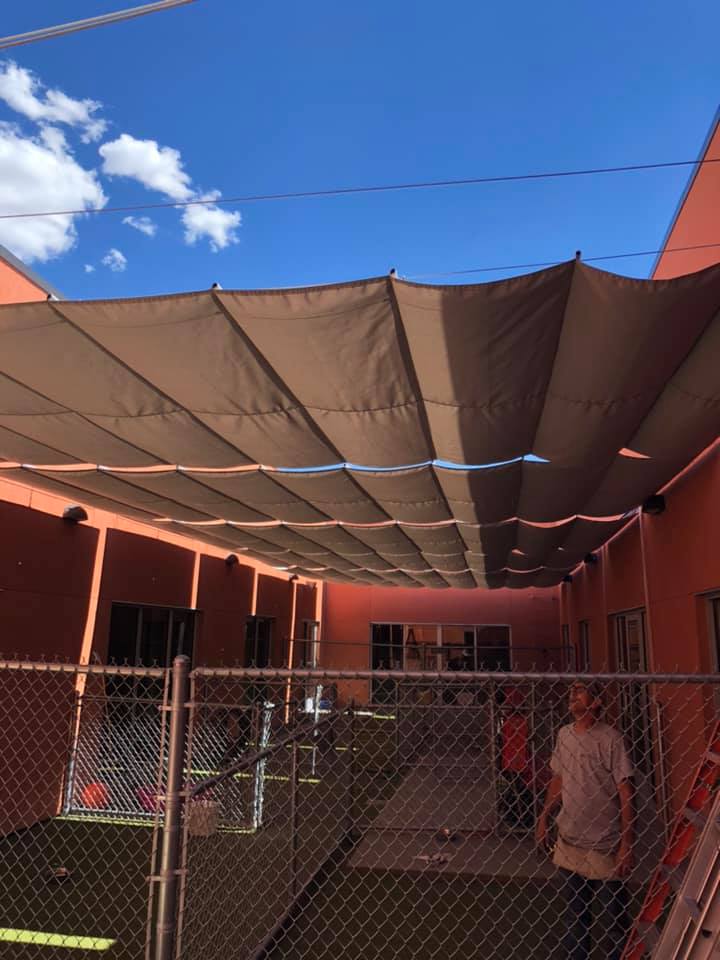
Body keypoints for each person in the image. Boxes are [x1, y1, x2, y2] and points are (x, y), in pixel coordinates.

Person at [535, 681, 634, 960]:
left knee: (615, 920)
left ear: (596, 701)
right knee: (576, 917)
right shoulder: (564, 735)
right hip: (570, 840)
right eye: (572, 690)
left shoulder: (610, 739)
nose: (572, 694)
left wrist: (626, 843)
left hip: (605, 843)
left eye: (580, 690)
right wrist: (544, 817)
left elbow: (625, 791)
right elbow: (558, 779)